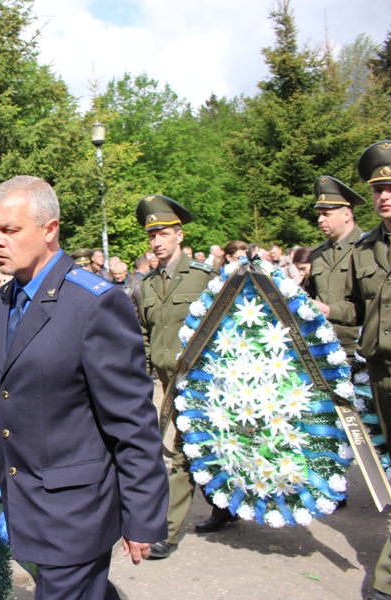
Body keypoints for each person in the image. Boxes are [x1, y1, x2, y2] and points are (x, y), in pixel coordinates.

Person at [0, 176, 168, 599]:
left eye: (10, 229)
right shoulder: (2, 303)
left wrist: (143, 514)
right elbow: (11, 400)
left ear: (49, 229)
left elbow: (132, 421)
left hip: (75, 510)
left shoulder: (94, 302)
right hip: (26, 502)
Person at [316, 141, 391, 600]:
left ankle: (387, 579)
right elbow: (353, 311)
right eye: (379, 189)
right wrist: (323, 310)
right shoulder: (367, 250)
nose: (385, 196)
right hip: (380, 373)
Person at [136, 194, 222, 560]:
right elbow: (145, 334)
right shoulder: (148, 284)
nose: (157, 242)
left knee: (182, 453)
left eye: (164, 234)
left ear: (179, 235)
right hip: (165, 382)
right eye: (152, 235)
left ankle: (166, 532)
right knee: (203, 448)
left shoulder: (204, 278)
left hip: (200, 383)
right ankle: (225, 506)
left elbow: (225, 328)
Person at [303, 176, 365, 359]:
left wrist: (330, 310)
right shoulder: (318, 253)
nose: (320, 220)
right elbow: (309, 295)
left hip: (359, 349)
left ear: (347, 214)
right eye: (319, 214)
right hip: (323, 347)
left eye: (326, 214)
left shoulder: (368, 249)